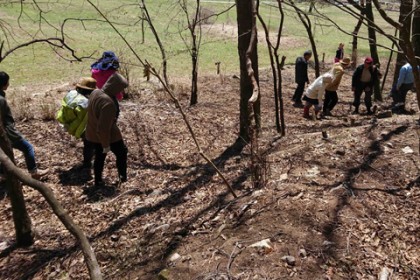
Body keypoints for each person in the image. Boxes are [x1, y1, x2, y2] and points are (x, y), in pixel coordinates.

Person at [0, 71, 48, 179]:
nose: (9, 84)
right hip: (6, 130)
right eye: (8, 82)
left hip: (4, 130)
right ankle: (34, 172)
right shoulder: (1, 100)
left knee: (6, 151)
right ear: (4, 84)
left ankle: (3, 173)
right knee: (27, 147)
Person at [86, 73, 128, 186]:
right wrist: (105, 145)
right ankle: (122, 178)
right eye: (121, 88)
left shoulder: (95, 92)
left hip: (92, 133)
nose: (121, 91)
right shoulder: (108, 103)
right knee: (121, 153)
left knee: (99, 157)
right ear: (115, 87)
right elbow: (103, 128)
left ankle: (98, 181)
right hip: (107, 135)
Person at [56, 77, 97, 168]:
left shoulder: (71, 94)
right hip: (81, 128)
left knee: (88, 144)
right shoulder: (86, 102)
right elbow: (85, 120)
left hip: (68, 123)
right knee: (89, 144)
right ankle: (87, 163)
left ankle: (88, 161)